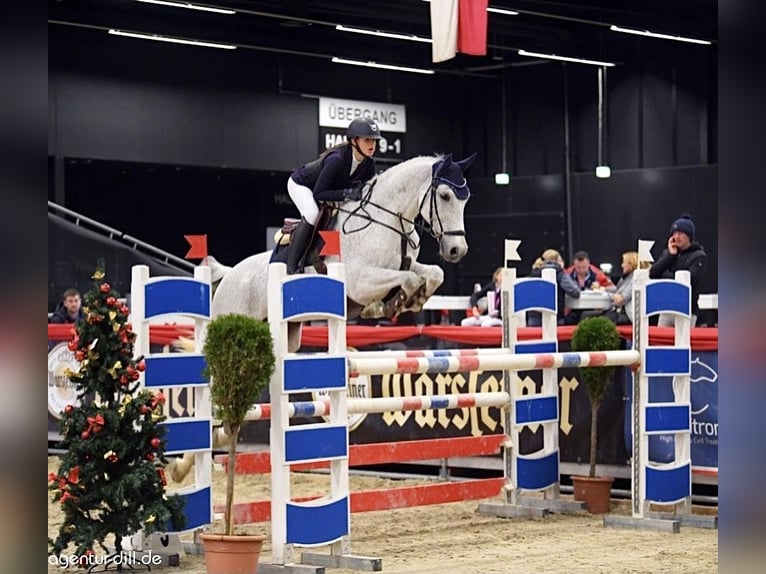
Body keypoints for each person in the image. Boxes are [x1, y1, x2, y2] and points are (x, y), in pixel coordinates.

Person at [286, 117, 381, 274]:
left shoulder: (369, 164)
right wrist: (348, 193)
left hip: (328, 190)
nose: (372, 145)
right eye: (367, 140)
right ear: (354, 141)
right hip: (302, 185)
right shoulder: (336, 160)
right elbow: (319, 193)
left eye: (374, 141)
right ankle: (292, 266)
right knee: (312, 213)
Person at [649, 213, 707, 327]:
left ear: (689, 236)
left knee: (683, 342)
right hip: (666, 308)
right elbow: (653, 273)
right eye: (674, 233)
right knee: (662, 343)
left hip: (687, 310)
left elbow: (690, 280)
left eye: (680, 233)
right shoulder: (667, 253)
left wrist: (666, 276)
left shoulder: (699, 256)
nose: (676, 236)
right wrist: (670, 256)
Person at [581, 251, 639, 325]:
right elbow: (618, 289)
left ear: (631, 264)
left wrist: (605, 293)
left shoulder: (635, 279)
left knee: (588, 318)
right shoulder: (626, 277)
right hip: (617, 311)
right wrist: (603, 288)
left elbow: (621, 299)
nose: (621, 265)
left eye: (624, 262)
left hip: (626, 315)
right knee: (585, 314)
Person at [526, 249, 581, 326]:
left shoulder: (534, 272)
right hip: (554, 316)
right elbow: (575, 292)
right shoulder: (559, 272)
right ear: (558, 260)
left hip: (534, 316)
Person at [563, 250, 616, 325]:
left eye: (584, 267)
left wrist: (600, 287)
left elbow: (613, 288)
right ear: (574, 265)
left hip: (593, 308)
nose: (581, 270)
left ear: (588, 263)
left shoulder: (597, 274)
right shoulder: (567, 274)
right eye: (578, 267)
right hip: (571, 309)